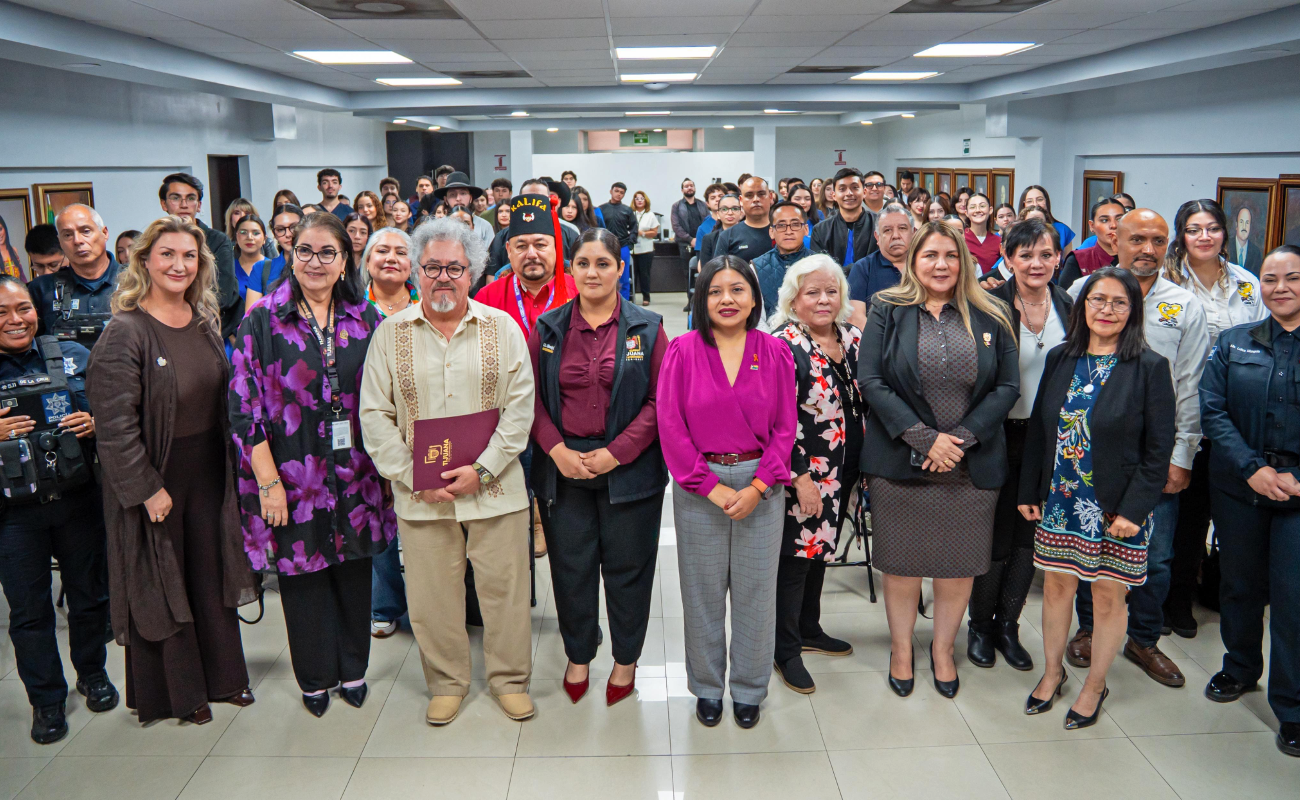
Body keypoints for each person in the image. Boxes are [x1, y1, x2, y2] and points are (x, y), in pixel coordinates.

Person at [359, 216, 536, 725]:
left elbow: (519, 410)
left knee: (505, 590)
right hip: (422, 495)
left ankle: (508, 680)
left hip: (496, 489)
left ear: (473, 272)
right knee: (432, 593)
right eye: (432, 266)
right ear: (415, 271)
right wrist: (413, 476)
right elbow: (375, 414)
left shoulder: (501, 329)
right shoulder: (391, 335)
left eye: (454, 268)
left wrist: (482, 470)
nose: (443, 277)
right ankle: (447, 681)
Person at [89, 215, 258, 725]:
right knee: (165, 584)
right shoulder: (126, 331)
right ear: (144, 261)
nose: (178, 265)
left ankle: (227, 677)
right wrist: (146, 489)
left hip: (209, 472)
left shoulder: (204, 319)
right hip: (158, 477)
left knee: (211, 576)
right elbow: (114, 428)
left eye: (189, 256)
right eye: (167, 255)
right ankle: (180, 694)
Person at [229, 212, 396, 717]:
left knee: (353, 572)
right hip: (292, 478)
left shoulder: (368, 320)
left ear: (346, 260)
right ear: (290, 255)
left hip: (358, 475)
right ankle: (316, 679)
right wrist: (269, 483)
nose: (316, 262)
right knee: (302, 579)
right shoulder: (262, 321)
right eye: (305, 251)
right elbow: (243, 408)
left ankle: (354, 670)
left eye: (328, 253)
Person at [858, 221, 1018, 701]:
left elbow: (1007, 387)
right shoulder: (888, 308)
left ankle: (944, 649)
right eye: (930, 256)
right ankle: (902, 650)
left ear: (965, 260)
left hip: (971, 466)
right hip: (901, 462)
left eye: (951, 255)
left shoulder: (993, 312)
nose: (942, 264)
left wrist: (961, 439)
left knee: (958, 566)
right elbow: (872, 380)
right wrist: (925, 439)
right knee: (902, 566)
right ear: (913, 261)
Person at [1019, 266, 1176, 728]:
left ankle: (1095, 685)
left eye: (1118, 302)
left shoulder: (1149, 367)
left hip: (1115, 510)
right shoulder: (1060, 358)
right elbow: (1039, 431)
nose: (1106, 310)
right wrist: (1030, 487)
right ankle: (1052, 674)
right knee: (1056, 588)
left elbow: (1158, 450)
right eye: (1097, 300)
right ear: (1082, 305)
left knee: (1108, 598)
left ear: (1133, 310)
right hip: (1060, 500)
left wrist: (1134, 510)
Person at [1065, 210, 1210, 689]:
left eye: (1158, 240)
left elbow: (1190, 384)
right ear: (1114, 239)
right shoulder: (1084, 292)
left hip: (1155, 455)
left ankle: (1143, 638)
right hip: (1091, 452)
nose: (1148, 248)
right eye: (1138, 239)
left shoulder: (1183, 305)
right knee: (1090, 548)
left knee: (1157, 554)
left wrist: (1181, 455)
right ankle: (1089, 629)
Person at [529, 228, 667, 706]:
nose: (593, 272)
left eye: (603, 263)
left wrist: (617, 452)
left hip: (629, 472)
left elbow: (658, 401)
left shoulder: (647, 327)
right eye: (584, 263)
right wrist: (556, 450)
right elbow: (529, 400)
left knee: (629, 570)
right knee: (572, 569)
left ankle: (626, 661)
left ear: (620, 269)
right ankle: (579, 654)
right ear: (571, 270)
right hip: (563, 471)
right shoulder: (548, 329)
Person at [659, 255, 797, 729]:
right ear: (701, 299)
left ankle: (749, 689)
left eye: (737, 289)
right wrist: (710, 488)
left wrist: (760, 486)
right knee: (701, 593)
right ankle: (707, 687)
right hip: (702, 487)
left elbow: (785, 427)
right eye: (715, 291)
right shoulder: (683, 351)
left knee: (757, 592)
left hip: (762, 484)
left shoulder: (774, 351)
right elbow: (671, 426)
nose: (727, 299)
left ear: (755, 298)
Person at [0, 275, 112, 744]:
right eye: (2, 313)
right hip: (13, 516)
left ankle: (92, 673)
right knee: (29, 612)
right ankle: (46, 702)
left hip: (76, 498)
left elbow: (117, 412)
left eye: (23, 308)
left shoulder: (73, 356)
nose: (15, 319)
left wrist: (94, 420)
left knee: (89, 597)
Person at [1199, 245, 1300, 757]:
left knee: (1292, 598)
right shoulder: (1233, 343)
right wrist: (1253, 468)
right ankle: (1239, 668)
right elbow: (1213, 412)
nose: (1280, 287)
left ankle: (1294, 707)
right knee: (1238, 585)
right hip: (1240, 485)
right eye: (1269, 278)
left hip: (1299, 495)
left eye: (1292, 277)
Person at [1161, 199, 1267, 638]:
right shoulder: (1166, 283)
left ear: (1226, 233)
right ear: (1181, 235)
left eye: (1212, 228)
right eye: (1193, 229)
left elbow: (1264, 340)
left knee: (1223, 513)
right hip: (1179, 413)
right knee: (1183, 515)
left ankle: (1218, 588)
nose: (1204, 236)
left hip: (1233, 417)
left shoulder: (1247, 284)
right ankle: (1175, 598)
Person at [971, 219, 1072, 671]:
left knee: (1029, 538)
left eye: (1045, 254)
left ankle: (1008, 626)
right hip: (995, 435)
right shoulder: (988, 305)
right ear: (1008, 259)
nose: (1036, 263)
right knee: (992, 537)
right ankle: (980, 627)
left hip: (1047, 441)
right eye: (1025, 255)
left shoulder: (1069, 306)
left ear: (1058, 259)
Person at [767, 255, 864, 694]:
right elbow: (775, 419)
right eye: (812, 292)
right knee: (794, 560)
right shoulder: (783, 344)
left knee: (820, 552)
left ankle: (809, 628)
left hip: (845, 471)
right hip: (805, 474)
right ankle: (784, 648)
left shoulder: (852, 337)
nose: (824, 300)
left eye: (831, 291)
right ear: (793, 299)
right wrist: (800, 477)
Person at [357, 228, 416, 639]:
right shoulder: (349, 311)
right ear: (367, 259)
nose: (391, 258)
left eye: (401, 251)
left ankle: (434, 604)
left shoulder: (428, 302)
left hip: (424, 428)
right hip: (369, 427)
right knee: (378, 518)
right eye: (382, 250)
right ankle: (385, 604)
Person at [157, 173, 241, 346]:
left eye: (190, 198)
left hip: (209, 331)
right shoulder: (155, 242)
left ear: (199, 205)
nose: (184, 205)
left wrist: (174, 302)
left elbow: (222, 295)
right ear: (164, 204)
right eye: (176, 198)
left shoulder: (217, 241)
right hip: (164, 331)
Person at [29, 205, 121, 348]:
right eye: (67, 235)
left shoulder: (138, 280)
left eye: (85, 231)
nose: (77, 241)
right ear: (60, 242)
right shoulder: (42, 289)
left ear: (105, 233)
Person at [846, 203, 910, 329]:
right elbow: (855, 318)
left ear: (913, 232)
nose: (896, 236)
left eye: (902, 228)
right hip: (878, 343)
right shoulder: (863, 268)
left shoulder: (925, 266)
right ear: (877, 236)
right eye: (887, 230)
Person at [751, 201, 813, 317]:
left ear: (806, 229)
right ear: (771, 232)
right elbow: (758, 318)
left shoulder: (821, 265)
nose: (788, 231)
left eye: (795, 225)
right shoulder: (755, 267)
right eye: (781, 225)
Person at [811, 168, 877, 270]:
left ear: (864, 192)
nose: (849, 193)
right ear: (834, 195)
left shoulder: (879, 225)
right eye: (842, 189)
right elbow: (819, 268)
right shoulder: (821, 230)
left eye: (855, 187)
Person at [1058, 197, 1123, 290]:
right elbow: (1065, 301)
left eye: (1119, 219)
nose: (1113, 225)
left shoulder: (1136, 258)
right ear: (1092, 226)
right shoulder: (1078, 260)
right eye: (1104, 220)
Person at [712, 176, 775, 262]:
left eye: (761, 194)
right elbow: (719, 272)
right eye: (749, 195)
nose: (756, 199)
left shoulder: (783, 231)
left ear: (770, 197)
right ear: (741, 200)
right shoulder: (727, 236)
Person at [433, 172, 494, 246]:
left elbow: (491, 255)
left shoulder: (484, 226)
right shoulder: (438, 227)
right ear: (446, 200)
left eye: (463, 193)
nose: (458, 199)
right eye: (452, 194)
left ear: (471, 198)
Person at [600, 182, 638, 296]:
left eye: (622, 193)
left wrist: (630, 243)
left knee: (624, 278)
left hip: (623, 247)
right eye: (616, 191)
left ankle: (623, 305)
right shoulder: (601, 209)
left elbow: (634, 227)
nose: (619, 194)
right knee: (604, 276)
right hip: (604, 247)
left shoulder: (627, 210)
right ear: (611, 191)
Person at [1019, 185, 1075, 255]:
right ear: (1024, 205)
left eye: (1040, 199)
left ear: (1046, 202)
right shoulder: (1016, 231)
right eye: (1029, 201)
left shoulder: (1062, 230)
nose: (1035, 204)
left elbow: (1067, 263)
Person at [261, 203, 304, 292]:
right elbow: (254, 305)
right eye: (280, 230)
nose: (288, 234)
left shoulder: (317, 265)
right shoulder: (261, 269)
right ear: (274, 234)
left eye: (294, 227)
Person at [233, 214, 269, 315]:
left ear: (264, 239)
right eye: (243, 232)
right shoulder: (229, 269)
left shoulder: (274, 267)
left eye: (256, 233)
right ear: (236, 237)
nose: (249, 237)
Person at [699, 192, 742, 264]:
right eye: (724, 209)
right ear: (718, 214)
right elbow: (706, 270)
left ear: (741, 212)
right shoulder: (709, 239)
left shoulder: (748, 234)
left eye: (735, 208)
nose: (730, 212)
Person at [632, 190, 659, 306]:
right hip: (631, 250)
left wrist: (641, 233)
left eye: (641, 198)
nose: (639, 201)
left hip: (646, 250)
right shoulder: (630, 213)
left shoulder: (650, 215)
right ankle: (630, 297)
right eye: (637, 198)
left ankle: (646, 297)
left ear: (645, 200)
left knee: (644, 274)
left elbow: (654, 232)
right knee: (631, 275)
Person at [964, 193, 1001, 272]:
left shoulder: (998, 241)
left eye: (982, 206)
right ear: (966, 212)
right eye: (972, 207)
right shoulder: (961, 237)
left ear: (990, 210)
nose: (977, 210)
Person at [671, 178, 708, 257]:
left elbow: (708, 222)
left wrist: (700, 238)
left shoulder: (703, 205)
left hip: (702, 242)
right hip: (684, 243)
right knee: (686, 268)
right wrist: (690, 239)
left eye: (691, 186)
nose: (689, 188)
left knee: (702, 267)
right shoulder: (676, 206)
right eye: (686, 186)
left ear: (694, 188)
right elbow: (676, 226)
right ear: (682, 190)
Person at [1227, 206, 1264, 276]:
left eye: (1247, 223)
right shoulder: (1225, 247)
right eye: (1241, 222)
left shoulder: (1256, 252)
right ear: (1236, 225)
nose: (1244, 227)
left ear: (1250, 226)